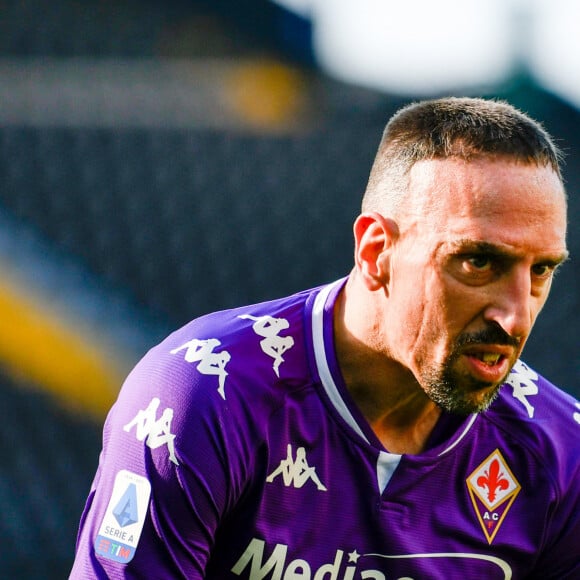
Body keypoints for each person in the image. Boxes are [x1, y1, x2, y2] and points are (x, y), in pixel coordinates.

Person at [70, 97, 579, 579]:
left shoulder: (561, 452)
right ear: (377, 251)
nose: (514, 317)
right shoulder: (205, 396)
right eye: (478, 261)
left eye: (541, 271)